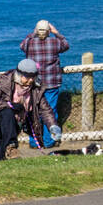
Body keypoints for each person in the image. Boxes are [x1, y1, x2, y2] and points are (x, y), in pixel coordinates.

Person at [0, 58, 60, 160]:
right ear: (19, 75)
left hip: (18, 118)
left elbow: (45, 109)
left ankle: (2, 160)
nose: (30, 80)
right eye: (27, 77)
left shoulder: (36, 88)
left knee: (4, 136)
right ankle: (12, 147)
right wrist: (10, 105)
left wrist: (53, 126)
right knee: (8, 114)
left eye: (33, 77)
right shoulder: (6, 82)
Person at [20, 20, 70, 148]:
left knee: (33, 110)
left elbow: (22, 45)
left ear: (37, 30)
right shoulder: (54, 43)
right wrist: (56, 32)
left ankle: (35, 141)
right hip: (51, 82)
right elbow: (66, 45)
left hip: (34, 83)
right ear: (48, 31)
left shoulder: (30, 43)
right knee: (50, 111)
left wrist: (33, 33)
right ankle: (49, 141)